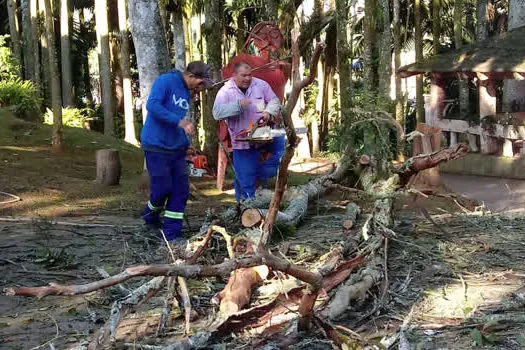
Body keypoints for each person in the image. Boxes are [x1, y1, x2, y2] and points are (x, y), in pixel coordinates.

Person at [140, 61, 213, 244]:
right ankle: (149, 217)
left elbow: (180, 122)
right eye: (200, 83)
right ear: (190, 76)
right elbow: (153, 106)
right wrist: (179, 122)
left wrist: (185, 145)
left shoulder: (186, 94)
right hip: (156, 145)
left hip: (176, 149)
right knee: (163, 188)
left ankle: (172, 235)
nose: (201, 88)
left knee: (181, 191)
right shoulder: (165, 81)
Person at [213, 62, 284, 202]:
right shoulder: (225, 91)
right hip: (243, 141)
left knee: (284, 145)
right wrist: (238, 105)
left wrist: (269, 113)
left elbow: (275, 101)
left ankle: (261, 173)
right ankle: (246, 209)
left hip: (265, 134)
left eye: (249, 75)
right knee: (245, 182)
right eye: (243, 75)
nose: (247, 78)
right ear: (234, 75)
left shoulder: (261, 85)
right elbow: (217, 113)